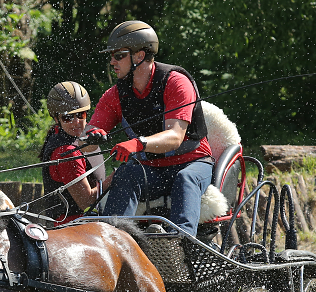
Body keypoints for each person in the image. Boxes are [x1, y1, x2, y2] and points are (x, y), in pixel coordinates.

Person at [90, 20, 213, 236]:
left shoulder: (176, 82)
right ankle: (111, 239)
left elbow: (175, 137)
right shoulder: (114, 95)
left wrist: (137, 144)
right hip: (153, 170)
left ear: (139, 56)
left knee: (186, 179)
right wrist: (89, 138)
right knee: (126, 173)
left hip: (193, 164)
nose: (112, 61)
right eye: (112, 56)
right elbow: (89, 134)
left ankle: (180, 242)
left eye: (119, 56)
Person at [39, 81, 111, 225]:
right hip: (73, 230)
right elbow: (87, 201)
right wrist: (118, 175)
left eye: (80, 115)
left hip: (81, 225)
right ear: (56, 118)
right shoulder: (67, 152)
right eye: (67, 117)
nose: (76, 122)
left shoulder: (62, 136)